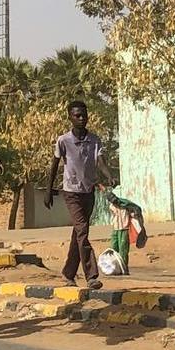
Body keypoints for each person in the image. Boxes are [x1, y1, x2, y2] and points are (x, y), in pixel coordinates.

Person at [45, 101, 115, 291]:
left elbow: (100, 161)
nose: (81, 118)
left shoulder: (95, 140)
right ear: (70, 117)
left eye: (84, 115)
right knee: (83, 231)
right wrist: (48, 190)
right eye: (77, 115)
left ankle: (68, 273)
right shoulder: (63, 140)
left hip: (88, 192)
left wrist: (109, 176)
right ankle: (91, 276)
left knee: (78, 233)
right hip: (72, 193)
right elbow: (54, 166)